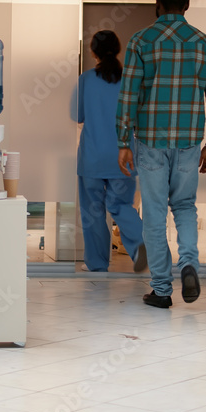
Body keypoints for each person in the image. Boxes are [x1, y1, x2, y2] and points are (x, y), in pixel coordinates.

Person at [116, 0, 206, 308]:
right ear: (187, 6)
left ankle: (162, 290)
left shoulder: (141, 41)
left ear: (157, 3)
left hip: (150, 141)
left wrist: (123, 140)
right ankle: (189, 261)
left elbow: (128, 96)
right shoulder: (205, 44)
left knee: (154, 213)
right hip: (190, 141)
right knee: (185, 206)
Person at [76, 30, 146, 273]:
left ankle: (97, 264)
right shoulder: (130, 80)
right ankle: (140, 245)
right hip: (123, 156)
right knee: (122, 206)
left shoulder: (85, 80)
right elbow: (140, 117)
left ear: (93, 52)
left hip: (92, 157)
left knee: (93, 211)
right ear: (118, 50)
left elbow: (77, 115)